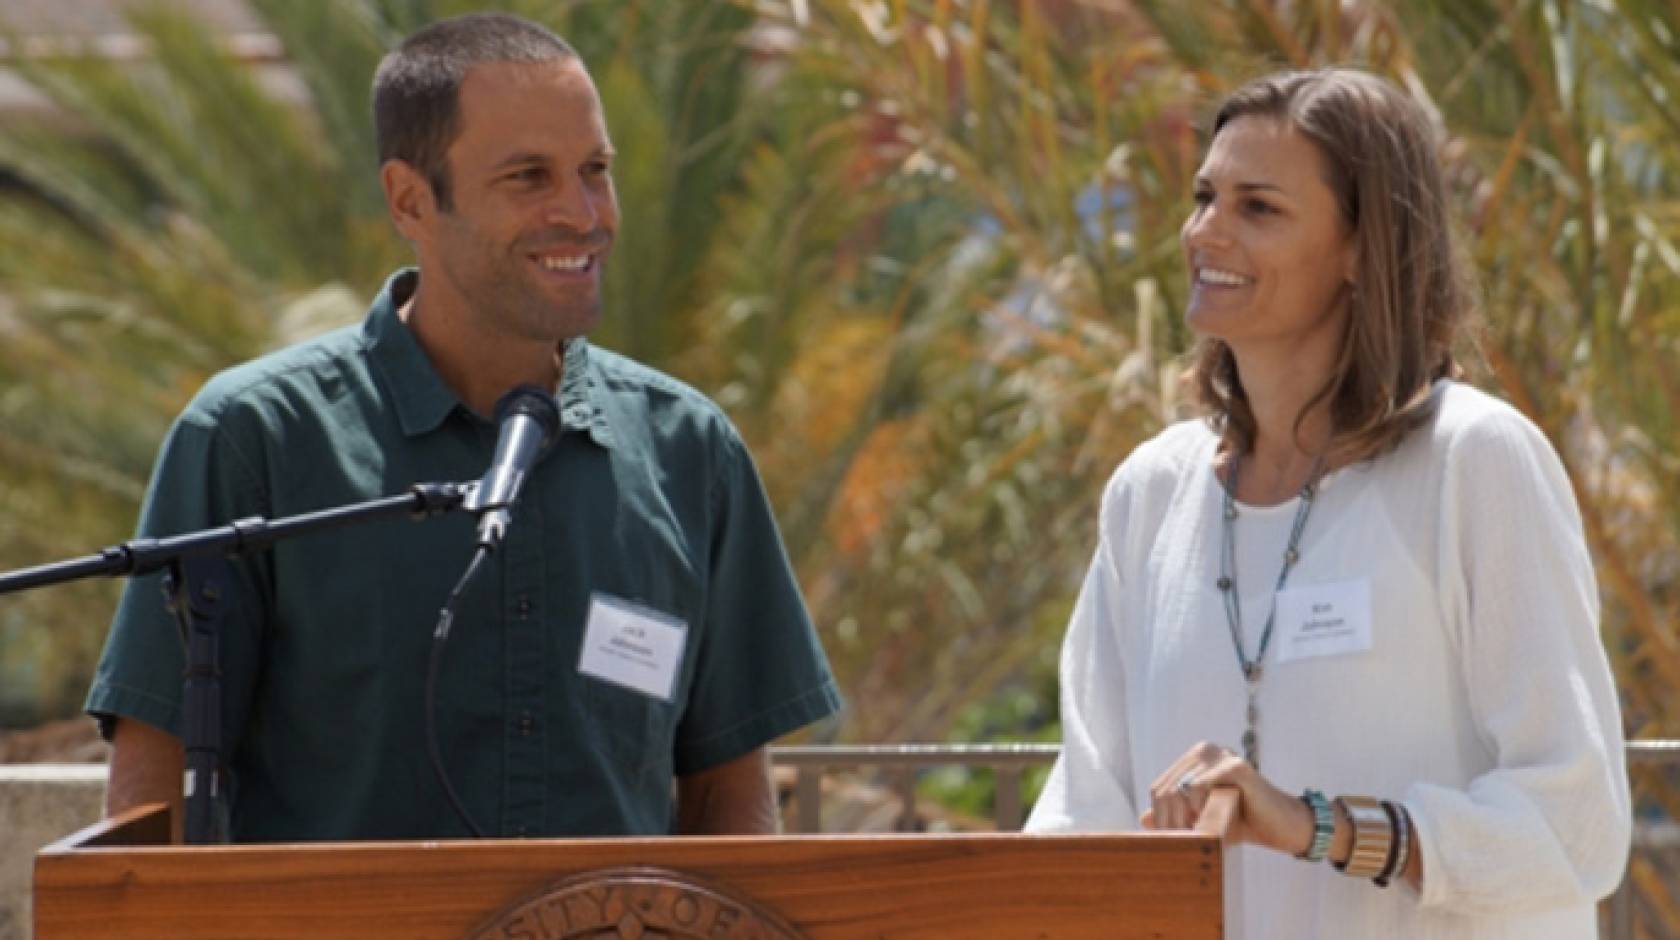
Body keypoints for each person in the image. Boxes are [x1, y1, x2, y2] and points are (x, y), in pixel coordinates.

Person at [86, 13, 840, 842]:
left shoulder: (690, 452)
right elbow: (149, 807)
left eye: (595, 170)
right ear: (411, 200)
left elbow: (732, 803)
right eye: (529, 178)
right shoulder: (252, 439)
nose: (584, 214)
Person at [1025, 68, 1630, 937]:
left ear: (1361, 248)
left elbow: (1578, 827)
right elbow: (1084, 812)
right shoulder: (1149, 495)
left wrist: (1316, 826)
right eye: (1205, 198)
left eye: (1257, 208)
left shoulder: (1475, 460)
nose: (1205, 232)